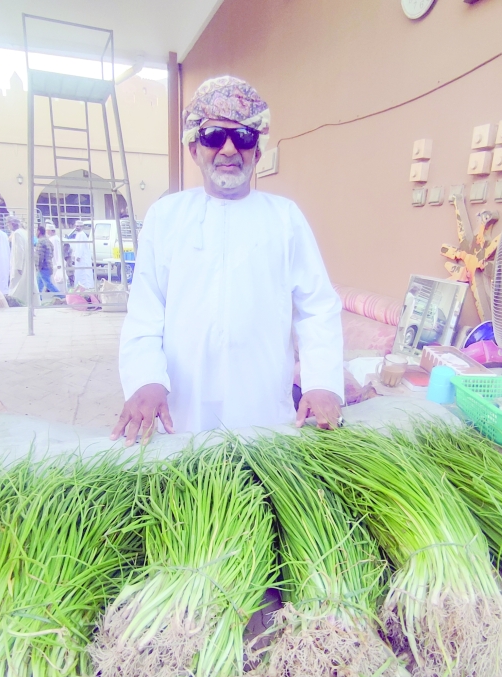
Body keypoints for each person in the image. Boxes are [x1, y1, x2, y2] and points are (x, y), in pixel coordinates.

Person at [113, 76, 344, 446]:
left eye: (244, 137)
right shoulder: (166, 216)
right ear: (194, 149)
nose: (229, 149)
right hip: (182, 408)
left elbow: (317, 308)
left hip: (262, 408)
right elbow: (145, 310)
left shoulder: (285, 218)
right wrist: (145, 379)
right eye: (214, 136)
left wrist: (321, 384)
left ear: (257, 150)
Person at [7, 215, 35, 306]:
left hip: (20, 265)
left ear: (12, 224)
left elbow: (19, 251)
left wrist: (18, 266)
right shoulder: (24, 232)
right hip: (27, 263)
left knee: (16, 286)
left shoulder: (17, 234)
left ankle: (16, 303)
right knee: (27, 285)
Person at [35, 224, 59, 293]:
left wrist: (37, 266)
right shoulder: (48, 241)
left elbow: (39, 256)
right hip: (48, 265)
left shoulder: (40, 242)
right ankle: (38, 300)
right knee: (39, 285)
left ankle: (62, 296)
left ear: (39, 232)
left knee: (48, 284)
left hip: (43, 267)